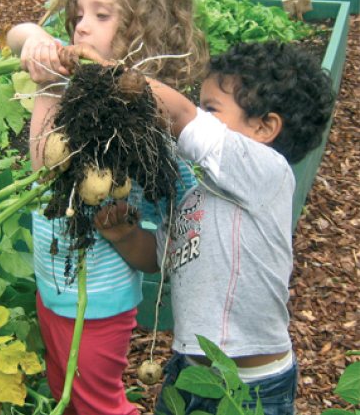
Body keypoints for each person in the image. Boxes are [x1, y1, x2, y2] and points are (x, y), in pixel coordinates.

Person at [87, 40, 335, 415]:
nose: (200, 114)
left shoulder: (267, 173)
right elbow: (160, 259)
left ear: (265, 127)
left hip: (254, 387)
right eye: (201, 105)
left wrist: (108, 73)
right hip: (188, 371)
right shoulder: (192, 196)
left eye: (211, 108)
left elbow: (182, 116)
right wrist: (125, 235)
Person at [6, 0, 207, 414]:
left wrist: (49, 89)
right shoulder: (72, 74)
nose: (80, 26)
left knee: (99, 405)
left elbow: (46, 162)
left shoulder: (143, 128)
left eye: (101, 16)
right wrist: (35, 39)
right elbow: (16, 32)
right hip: (52, 285)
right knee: (65, 395)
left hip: (98, 300)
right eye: (78, 14)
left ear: (143, 34)